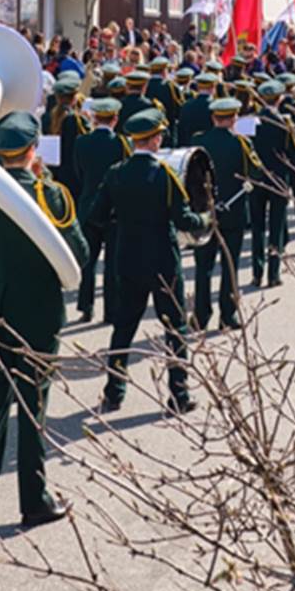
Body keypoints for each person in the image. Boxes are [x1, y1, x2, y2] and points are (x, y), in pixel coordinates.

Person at [0, 112, 89, 525]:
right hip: (38, 313)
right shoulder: (50, 195)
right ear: (34, 150)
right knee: (33, 405)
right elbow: (80, 255)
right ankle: (33, 500)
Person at [86, 108, 207, 415]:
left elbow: (96, 216)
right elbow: (183, 219)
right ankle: (179, 395)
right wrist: (205, 218)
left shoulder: (116, 173)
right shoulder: (165, 174)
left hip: (127, 258)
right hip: (163, 261)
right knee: (175, 329)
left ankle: (114, 391)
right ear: (154, 140)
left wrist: (122, 223)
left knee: (123, 328)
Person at [191, 97, 253, 331]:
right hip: (232, 211)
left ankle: (200, 315)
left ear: (213, 118)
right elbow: (255, 172)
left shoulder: (198, 141)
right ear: (234, 118)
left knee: (203, 267)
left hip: (204, 211)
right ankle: (227, 315)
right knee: (230, 265)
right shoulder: (241, 143)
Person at [71, 98, 128, 323]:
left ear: (94, 118)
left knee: (88, 260)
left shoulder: (81, 142)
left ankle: (86, 306)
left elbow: (78, 173)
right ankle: (111, 310)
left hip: (88, 204)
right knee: (112, 262)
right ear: (115, 119)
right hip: (113, 207)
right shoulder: (121, 143)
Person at [247, 80, 295, 285]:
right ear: (279, 99)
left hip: (257, 179)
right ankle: (273, 274)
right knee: (276, 226)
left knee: (257, 228)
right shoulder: (284, 122)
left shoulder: (248, 122)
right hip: (278, 179)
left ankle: (257, 273)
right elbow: (293, 153)